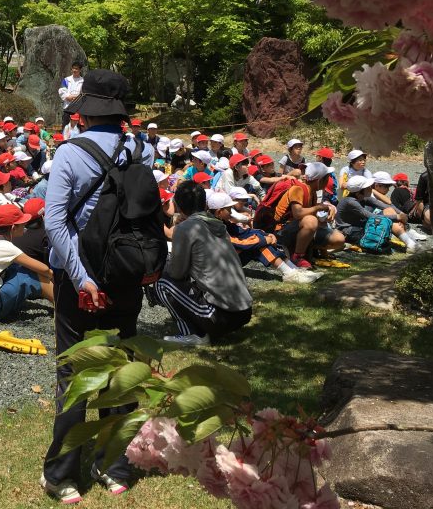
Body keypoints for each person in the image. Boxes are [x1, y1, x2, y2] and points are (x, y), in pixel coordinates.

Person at [42, 68, 152, 503]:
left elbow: (55, 221)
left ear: (84, 113)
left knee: (73, 373)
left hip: (78, 281)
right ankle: (114, 464)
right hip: (126, 275)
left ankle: (62, 475)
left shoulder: (71, 153)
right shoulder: (142, 149)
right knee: (120, 371)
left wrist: (83, 278)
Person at [146, 185, 253, 345]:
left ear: (179, 206)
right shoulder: (219, 226)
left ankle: (194, 335)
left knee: (162, 282)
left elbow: (177, 273)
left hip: (221, 317)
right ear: (205, 205)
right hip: (244, 311)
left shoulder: (185, 228)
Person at [0, 204, 54, 322]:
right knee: (32, 276)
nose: (25, 226)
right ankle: (64, 306)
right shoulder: (5, 246)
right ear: (13, 228)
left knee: (19, 268)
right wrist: (52, 276)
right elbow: (44, 269)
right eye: (22, 224)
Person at [272, 162, 347, 268]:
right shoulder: (298, 189)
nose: (328, 181)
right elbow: (297, 214)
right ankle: (297, 256)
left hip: (299, 228)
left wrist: (324, 217)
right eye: (327, 178)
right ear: (319, 180)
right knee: (311, 220)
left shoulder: (313, 193)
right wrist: (317, 208)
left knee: (339, 238)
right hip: (283, 231)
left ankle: (309, 249)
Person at [336, 176, 419, 253]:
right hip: (350, 231)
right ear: (358, 193)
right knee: (390, 217)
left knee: (389, 210)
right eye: (368, 187)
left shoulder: (363, 197)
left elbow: (387, 205)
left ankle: (409, 242)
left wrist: (401, 214)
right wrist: (397, 217)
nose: (371, 189)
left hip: (360, 225)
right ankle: (409, 242)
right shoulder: (350, 202)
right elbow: (371, 217)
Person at [58, 61, 84, 128]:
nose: (74, 70)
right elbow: (62, 90)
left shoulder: (83, 81)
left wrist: (76, 97)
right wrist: (67, 97)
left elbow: (83, 93)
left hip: (78, 108)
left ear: (80, 70)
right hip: (67, 107)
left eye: (77, 69)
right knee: (65, 126)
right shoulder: (66, 79)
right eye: (73, 68)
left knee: (77, 127)